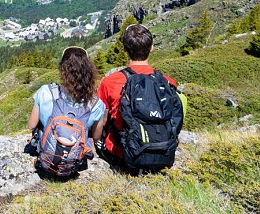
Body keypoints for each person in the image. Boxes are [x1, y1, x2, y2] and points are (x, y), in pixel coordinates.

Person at [96, 23, 183, 173]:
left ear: (124, 49)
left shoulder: (109, 82)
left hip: (122, 155)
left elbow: (101, 121)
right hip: (163, 152)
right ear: (151, 48)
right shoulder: (168, 82)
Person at [27, 46, 106, 177]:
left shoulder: (46, 91)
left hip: (47, 154)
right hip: (74, 160)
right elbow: (97, 136)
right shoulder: (97, 104)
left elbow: (31, 125)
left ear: (63, 69)